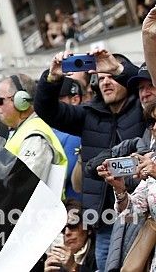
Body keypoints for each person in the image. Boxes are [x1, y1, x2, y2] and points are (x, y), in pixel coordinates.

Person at [34, 48, 141, 271]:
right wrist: (52, 78)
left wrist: (117, 68)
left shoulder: (143, 109)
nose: (106, 83)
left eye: (111, 77)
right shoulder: (88, 115)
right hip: (105, 223)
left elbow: (148, 80)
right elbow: (46, 110)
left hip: (141, 214)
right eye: (100, 78)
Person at [0, 74, 67, 186]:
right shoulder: (23, 131)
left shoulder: (35, 136)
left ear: (21, 101)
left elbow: (24, 185)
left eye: (0, 100)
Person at [43, 198, 96, 272]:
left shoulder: (100, 255)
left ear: (88, 228)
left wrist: (73, 267)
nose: (67, 233)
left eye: (73, 226)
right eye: (63, 229)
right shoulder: (57, 262)